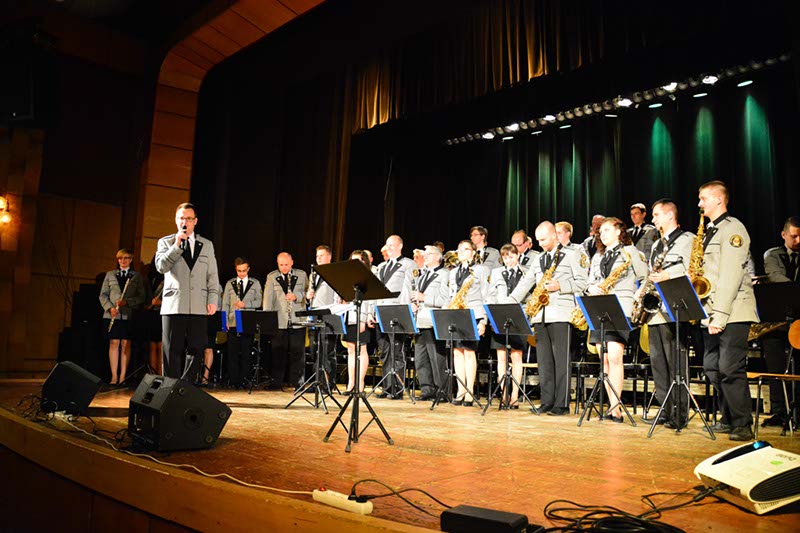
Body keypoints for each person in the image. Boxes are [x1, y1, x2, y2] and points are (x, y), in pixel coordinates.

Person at [697, 180, 759, 441]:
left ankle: (743, 424)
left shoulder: (733, 229)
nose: (699, 204)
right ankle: (728, 417)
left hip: (733, 311)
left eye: (703, 199)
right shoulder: (708, 231)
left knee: (730, 367)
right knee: (712, 366)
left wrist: (719, 316)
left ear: (719, 200)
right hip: (712, 311)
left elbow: (731, 275)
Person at [512, 223, 588, 415]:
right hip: (540, 314)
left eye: (543, 239)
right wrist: (510, 302)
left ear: (555, 236)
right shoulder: (539, 258)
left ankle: (561, 404)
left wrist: (560, 285)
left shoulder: (572, 254)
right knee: (544, 361)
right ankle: (546, 401)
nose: (540, 243)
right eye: (538, 240)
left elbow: (583, 283)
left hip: (561, 314)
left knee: (561, 360)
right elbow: (526, 282)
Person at [637, 199, 694, 427]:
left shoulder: (688, 240)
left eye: (657, 215)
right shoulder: (656, 245)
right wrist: (642, 290)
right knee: (658, 364)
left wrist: (669, 276)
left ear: (670, 215)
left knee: (675, 364)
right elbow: (651, 273)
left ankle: (679, 413)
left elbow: (693, 269)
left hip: (674, 308)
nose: (653, 219)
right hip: (655, 311)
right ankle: (665, 409)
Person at [585, 217, 647, 422]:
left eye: (607, 230)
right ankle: (611, 405)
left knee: (614, 356)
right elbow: (589, 281)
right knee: (603, 359)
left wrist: (638, 294)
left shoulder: (630, 252)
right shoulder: (598, 256)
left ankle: (616, 407)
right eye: (601, 231)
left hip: (621, 307)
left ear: (619, 232)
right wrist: (591, 288)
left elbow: (645, 277)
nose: (602, 234)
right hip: (599, 307)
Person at [155, 203, 219, 380]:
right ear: (176, 220)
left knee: (197, 348)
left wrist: (213, 299)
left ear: (195, 221)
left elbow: (212, 275)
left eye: (189, 218)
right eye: (181, 218)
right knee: (171, 349)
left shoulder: (206, 245)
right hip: (174, 304)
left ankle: (186, 387)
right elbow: (161, 267)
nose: (185, 222)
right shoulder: (166, 242)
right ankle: (171, 387)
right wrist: (176, 246)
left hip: (198, 304)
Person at [438, 240, 489, 406]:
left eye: (465, 249)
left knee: (469, 351)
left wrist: (483, 320)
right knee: (457, 352)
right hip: (456, 314)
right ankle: (460, 390)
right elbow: (451, 294)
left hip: (473, 314)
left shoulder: (481, 270)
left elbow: (485, 296)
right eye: (459, 249)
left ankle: (470, 391)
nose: (460, 252)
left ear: (473, 252)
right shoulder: (453, 272)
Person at [760, 216, 800, 426]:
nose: (798, 240)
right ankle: (780, 411)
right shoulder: (773, 255)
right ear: (784, 235)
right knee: (775, 366)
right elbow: (776, 277)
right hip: (775, 320)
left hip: (798, 322)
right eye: (794, 236)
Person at [369, 235, 416, 399]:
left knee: (397, 352)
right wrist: (371, 312)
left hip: (396, 312)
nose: (388, 248)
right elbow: (374, 290)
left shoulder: (408, 264)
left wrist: (404, 311)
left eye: (391, 245)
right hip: (380, 312)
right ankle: (387, 387)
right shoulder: (382, 266)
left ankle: (398, 388)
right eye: (387, 245)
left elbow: (408, 288)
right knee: (385, 352)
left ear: (400, 246)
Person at [402, 245, 449, 401]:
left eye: (429, 254)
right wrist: (414, 303)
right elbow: (418, 296)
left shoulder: (444, 274)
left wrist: (424, 298)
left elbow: (445, 299)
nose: (425, 257)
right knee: (421, 358)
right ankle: (426, 390)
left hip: (433, 321)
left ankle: (441, 391)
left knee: (436, 358)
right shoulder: (422, 275)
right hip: (420, 320)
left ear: (437, 257)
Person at [487, 244, 529, 407]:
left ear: (518, 255)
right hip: (500, 316)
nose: (508, 260)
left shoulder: (526, 272)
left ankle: (515, 395)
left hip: (519, 316)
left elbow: (530, 295)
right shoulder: (496, 272)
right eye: (505, 258)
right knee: (501, 356)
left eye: (511, 257)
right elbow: (491, 295)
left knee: (517, 356)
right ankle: (504, 393)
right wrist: (491, 315)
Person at [99, 248, 146, 385]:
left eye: (126, 258)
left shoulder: (136, 276)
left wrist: (127, 302)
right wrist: (110, 308)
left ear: (131, 260)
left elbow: (141, 297)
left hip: (128, 315)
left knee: (126, 344)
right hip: (111, 314)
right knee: (114, 343)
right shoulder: (110, 275)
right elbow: (103, 295)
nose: (123, 261)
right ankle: (114, 377)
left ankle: (123, 376)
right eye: (120, 258)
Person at [262, 252, 308, 391]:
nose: (284, 267)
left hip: (297, 320)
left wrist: (297, 296)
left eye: (286, 264)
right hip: (279, 321)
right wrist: (268, 320)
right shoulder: (272, 277)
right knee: (278, 353)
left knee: (298, 353)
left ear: (292, 262)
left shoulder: (301, 274)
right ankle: (276, 382)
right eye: (281, 265)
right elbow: (267, 299)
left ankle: (298, 382)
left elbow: (308, 293)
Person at [222, 257, 262, 389]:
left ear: (248, 269)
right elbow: (225, 304)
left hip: (247, 321)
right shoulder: (230, 283)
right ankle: (233, 381)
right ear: (236, 269)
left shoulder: (255, 283)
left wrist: (245, 304)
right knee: (232, 353)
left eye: (244, 270)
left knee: (246, 352)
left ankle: (245, 380)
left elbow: (259, 302)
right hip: (233, 322)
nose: (242, 273)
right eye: (239, 271)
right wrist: (224, 321)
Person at [307, 245, 339, 389]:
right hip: (315, 314)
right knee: (315, 350)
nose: (318, 258)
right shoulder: (313, 274)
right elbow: (311, 293)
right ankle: (317, 381)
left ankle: (328, 383)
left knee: (327, 350)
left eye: (321, 255)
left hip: (329, 315)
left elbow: (337, 295)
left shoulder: (335, 272)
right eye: (317, 256)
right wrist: (308, 295)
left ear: (329, 257)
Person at [342, 250, 372, 393]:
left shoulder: (368, 277)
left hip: (360, 317)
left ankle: (360, 383)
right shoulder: (348, 277)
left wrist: (363, 319)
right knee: (351, 349)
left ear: (364, 262)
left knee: (362, 348)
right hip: (349, 316)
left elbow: (369, 300)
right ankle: (351, 383)